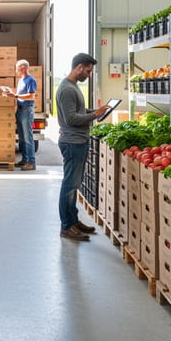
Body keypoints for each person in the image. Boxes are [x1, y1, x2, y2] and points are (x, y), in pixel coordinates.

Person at [56, 53, 111, 241]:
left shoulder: (72, 87)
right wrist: (95, 115)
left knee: (74, 185)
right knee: (69, 185)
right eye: (87, 71)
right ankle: (66, 226)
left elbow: (77, 112)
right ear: (79, 67)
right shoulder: (67, 89)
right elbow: (71, 118)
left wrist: (95, 112)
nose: (88, 74)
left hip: (78, 141)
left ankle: (73, 221)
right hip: (72, 142)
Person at [4, 59, 37, 171]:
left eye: (17, 67)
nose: (16, 70)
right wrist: (10, 92)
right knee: (22, 138)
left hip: (27, 110)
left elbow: (31, 96)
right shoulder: (21, 80)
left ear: (23, 67)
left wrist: (16, 96)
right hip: (20, 109)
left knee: (28, 138)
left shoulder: (31, 80)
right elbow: (19, 94)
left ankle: (31, 162)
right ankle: (24, 160)